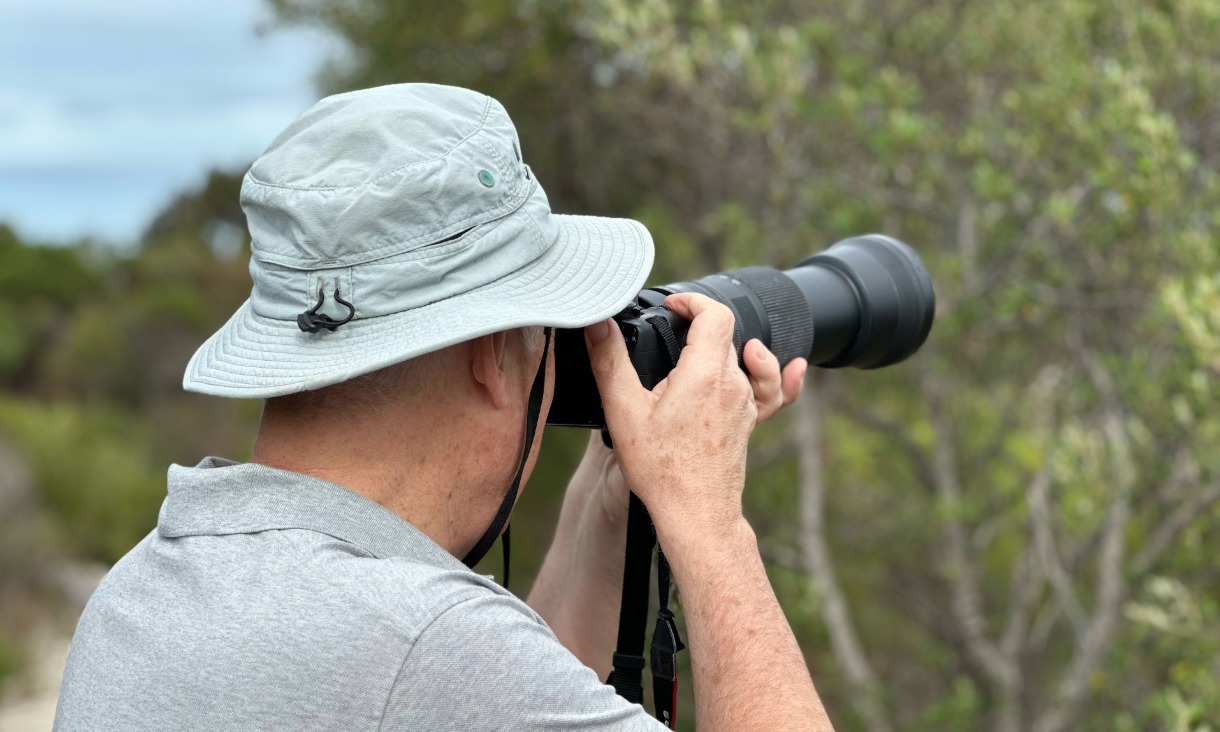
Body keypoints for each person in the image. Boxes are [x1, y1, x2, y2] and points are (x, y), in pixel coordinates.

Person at [53, 83, 834, 731]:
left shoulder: (143, 590)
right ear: (493, 358)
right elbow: (460, 670)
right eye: (542, 337)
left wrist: (615, 490)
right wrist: (707, 523)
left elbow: (523, 686)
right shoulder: (424, 645)